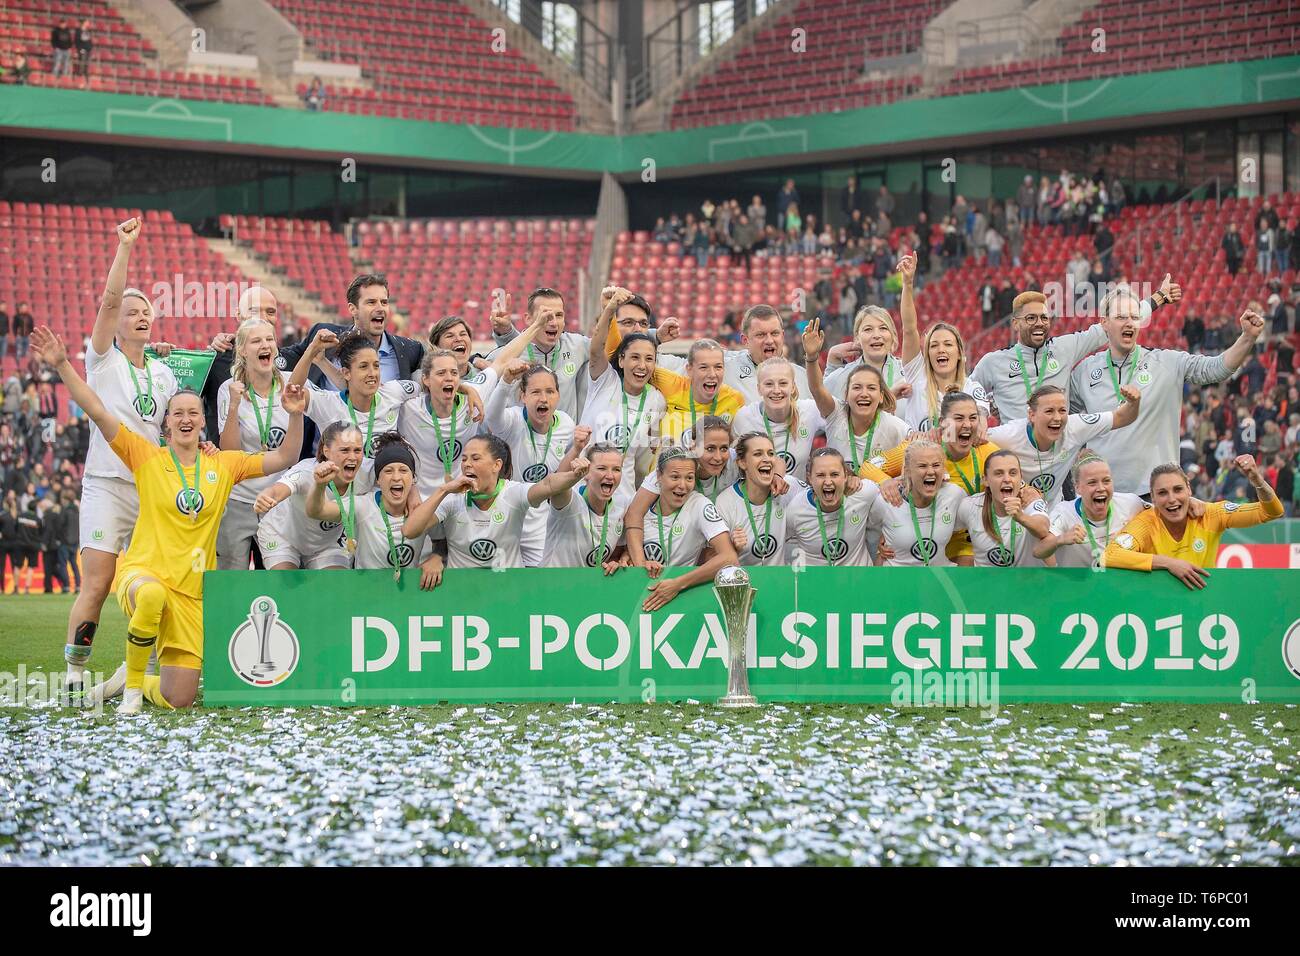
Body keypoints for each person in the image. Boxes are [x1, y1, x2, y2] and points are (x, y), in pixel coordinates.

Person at [31, 325, 306, 712]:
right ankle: (130, 695)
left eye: (194, 412)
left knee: (179, 698)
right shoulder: (146, 457)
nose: (186, 418)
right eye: (178, 413)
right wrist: (62, 365)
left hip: (189, 596)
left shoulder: (224, 466)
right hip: (143, 577)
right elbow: (96, 409)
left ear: (203, 423)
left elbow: (285, 458)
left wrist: (294, 417)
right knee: (152, 594)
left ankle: (137, 683)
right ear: (166, 423)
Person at [61, 219, 180, 699]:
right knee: (98, 581)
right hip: (108, 485)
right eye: (131, 310)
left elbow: (174, 431)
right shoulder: (101, 359)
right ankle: (73, 674)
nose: (138, 315)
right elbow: (110, 301)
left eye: (146, 310)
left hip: (151, 488)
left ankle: (136, 672)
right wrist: (124, 249)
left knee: (156, 583)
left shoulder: (165, 374)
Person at [1070, 288, 1266, 495]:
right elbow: (1067, 427)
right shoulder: (1084, 372)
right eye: (1120, 317)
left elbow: (1216, 369)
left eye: (1134, 317)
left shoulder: (1167, 363)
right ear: (1104, 323)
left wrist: (1247, 338)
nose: (1129, 322)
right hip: (1104, 495)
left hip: (1157, 495)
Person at [401, 310, 542, 498]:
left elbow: (502, 360)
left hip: (461, 502)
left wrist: (536, 325)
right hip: (422, 503)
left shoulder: (473, 393)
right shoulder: (408, 407)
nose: (449, 378)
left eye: (453, 373)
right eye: (441, 373)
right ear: (426, 379)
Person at [401, 433, 588, 571]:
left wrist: (574, 475)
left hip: (508, 592)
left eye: (475, 458)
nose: (467, 464)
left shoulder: (513, 493)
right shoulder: (452, 498)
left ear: (496, 465)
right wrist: (443, 490)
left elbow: (547, 485)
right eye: (464, 459)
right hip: (462, 594)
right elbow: (409, 530)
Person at [1103, 458, 1284, 588]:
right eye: (1163, 493)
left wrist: (1256, 480)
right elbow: (1110, 556)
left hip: (1204, 607)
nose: (1172, 499)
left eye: (1178, 489)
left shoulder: (1212, 514)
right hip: (1159, 610)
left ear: (1189, 489)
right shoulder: (1147, 523)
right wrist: (1169, 563)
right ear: (1153, 497)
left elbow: (1272, 511)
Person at [304, 432, 442, 584]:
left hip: (408, 597)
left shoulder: (423, 509)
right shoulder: (362, 506)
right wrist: (319, 485)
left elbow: (441, 542)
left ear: (413, 478)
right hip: (366, 596)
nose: (396, 477)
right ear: (378, 479)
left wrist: (437, 558)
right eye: (388, 471)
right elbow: (316, 511)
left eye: (403, 470)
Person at [214, 318, 293, 570]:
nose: (265, 345)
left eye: (269, 339)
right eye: (256, 340)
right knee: (231, 580)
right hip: (237, 500)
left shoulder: (290, 386)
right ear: (242, 350)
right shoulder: (229, 388)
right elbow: (230, 452)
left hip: (277, 500)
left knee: (276, 580)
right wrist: (235, 404)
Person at [484, 364, 579, 566]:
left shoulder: (566, 424)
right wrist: (506, 381)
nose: (543, 398)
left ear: (558, 396)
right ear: (522, 396)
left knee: (538, 578)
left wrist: (577, 449)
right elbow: (491, 416)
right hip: (505, 516)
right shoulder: (512, 420)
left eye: (550, 391)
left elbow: (561, 475)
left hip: (539, 519)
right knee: (501, 579)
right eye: (535, 392)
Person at [987, 384, 1141, 507]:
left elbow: (1121, 417)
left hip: (1053, 514)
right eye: (1049, 411)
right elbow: (975, 444)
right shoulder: (1007, 436)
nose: (1057, 418)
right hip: (1014, 516)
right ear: (1032, 415)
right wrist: (1021, 486)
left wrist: (1134, 402)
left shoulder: (1075, 427)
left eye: (1062, 410)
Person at [624, 446, 738, 611]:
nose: (682, 485)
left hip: (682, 602)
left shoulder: (700, 506)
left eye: (689, 478)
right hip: (638, 598)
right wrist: (640, 565)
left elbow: (729, 558)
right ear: (658, 477)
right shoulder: (639, 510)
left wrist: (678, 584)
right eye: (675, 477)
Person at [253, 422, 371, 571]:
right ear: (326, 451)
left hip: (327, 544)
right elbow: (278, 490)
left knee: (334, 590)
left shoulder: (368, 470)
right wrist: (266, 496)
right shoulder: (307, 470)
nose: (353, 457)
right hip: (282, 536)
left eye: (357, 450)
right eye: (345, 450)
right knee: (286, 585)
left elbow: (398, 472)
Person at [277, 273, 425, 391]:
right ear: (352, 309)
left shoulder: (410, 350)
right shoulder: (325, 339)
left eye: (384, 302)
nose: (380, 308)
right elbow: (281, 360)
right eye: (371, 302)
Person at [583, 290, 666, 499]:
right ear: (621, 360)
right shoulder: (604, 379)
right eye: (634, 357)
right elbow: (596, 349)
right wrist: (609, 308)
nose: (641, 366)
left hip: (623, 498)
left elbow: (644, 459)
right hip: (584, 489)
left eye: (649, 359)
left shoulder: (656, 399)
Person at [290, 328, 418, 457]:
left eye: (376, 365)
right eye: (363, 366)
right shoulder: (328, 404)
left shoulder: (393, 392)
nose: (372, 373)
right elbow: (292, 392)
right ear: (346, 373)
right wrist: (311, 350)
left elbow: (428, 386)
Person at [897, 253, 989, 432]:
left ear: (960, 353)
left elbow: (981, 429)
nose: (941, 349)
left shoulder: (971, 387)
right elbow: (909, 330)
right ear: (927, 355)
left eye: (948, 344)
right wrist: (907, 285)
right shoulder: (916, 376)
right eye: (934, 345)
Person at [732, 339, 834, 482]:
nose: (776, 390)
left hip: (796, 500)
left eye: (783, 383)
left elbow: (841, 418)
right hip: (757, 501)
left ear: (792, 387)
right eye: (768, 384)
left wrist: (832, 359)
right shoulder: (744, 417)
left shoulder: (809, 410)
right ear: (759, 389)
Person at [487, 288, 593, 419]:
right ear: (528, 318)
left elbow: (611, 349)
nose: (553, 322)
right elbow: (474, 375)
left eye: (559, 315)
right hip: (521, 437)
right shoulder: (509, 355)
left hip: (564, 437)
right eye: (545, 316)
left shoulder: (577, 345)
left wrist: (609, 312)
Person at [866, 440, 966, 567]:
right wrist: (879, 548)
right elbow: (870, 536)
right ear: (907, 470)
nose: (930, 471)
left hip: (937, 579)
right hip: (898, 581)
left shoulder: (954, 494)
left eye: (936, 465)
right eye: (922, 466)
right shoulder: (887, 501)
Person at [1041, 454, 1149, 568]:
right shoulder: (1064, 512)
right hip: (1078, 584)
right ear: (1077, 487)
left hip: (1119, 582)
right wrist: (1060, 539)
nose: (1101, 488)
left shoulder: (1130, 503)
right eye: (1092, 483)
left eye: (1106, 481)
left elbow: (1160, 516)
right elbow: (1039, 551)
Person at [952, 451, 1054, 567]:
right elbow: (946, 529)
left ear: (1021, 477)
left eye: (1013, 473)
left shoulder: (1029, 499)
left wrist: (1021, 517)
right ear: (985, 480)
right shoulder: (970, 506)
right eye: (999, 473)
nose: (1007, 479)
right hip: (987, 581)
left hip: (1025, 581)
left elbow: (1043, 530)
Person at [540, 441, 630, 571]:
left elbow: (618, 553)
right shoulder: (570, 499)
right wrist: (574, 473)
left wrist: (615, 562)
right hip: (554, 584)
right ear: (586, 473)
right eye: (601, 468)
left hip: (588, 587)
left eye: (616, 469)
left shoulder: (622, 505)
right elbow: (555, 487)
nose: (610, 476)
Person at [785, 448, 880, 567]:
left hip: (858, 581)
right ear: (810, 478)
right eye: (820, 475)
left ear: (845, 476)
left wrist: (885, 539)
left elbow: (891, 500)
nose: (828, 482)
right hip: (815, 582)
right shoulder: (796, 509)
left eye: (834, 474)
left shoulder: (863, 493)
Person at [714, 433, 795, 567]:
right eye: (758, 454)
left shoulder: (787, 488)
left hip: (779, 582)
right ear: (742, 463)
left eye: (770, 453)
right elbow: (714, 559)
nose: (766, 459)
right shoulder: (725, 502)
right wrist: (733, 548)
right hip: (743, 582)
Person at [820, 363, 908, 474]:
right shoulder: (837, 416)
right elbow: (817, 388)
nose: (864, 394)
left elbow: (919, 450)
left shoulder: (894, 426)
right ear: (846, 395)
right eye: (857, 387)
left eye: (871, 388)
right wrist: (811, 358)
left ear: (881, 396)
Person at [824, 305, 911, 401]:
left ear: (892, 335)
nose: (876, 335)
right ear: (857, 337)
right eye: (868, 329)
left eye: (883, 328)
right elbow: (822, 402)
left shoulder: (909, 372)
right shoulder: (842, 376)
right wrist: (829, 365)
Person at [74, 19, 92, 84]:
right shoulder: (78, 31)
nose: (88, 23)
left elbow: (89, 41)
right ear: (83, 23)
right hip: (82, 50)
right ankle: (80, 79)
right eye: (87, 22)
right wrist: (79, 50)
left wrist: (90, 48)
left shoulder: (88, 31)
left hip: (88, 50)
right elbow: (77, 42)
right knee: (82, 63)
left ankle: (86, 80)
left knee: (86, 65)